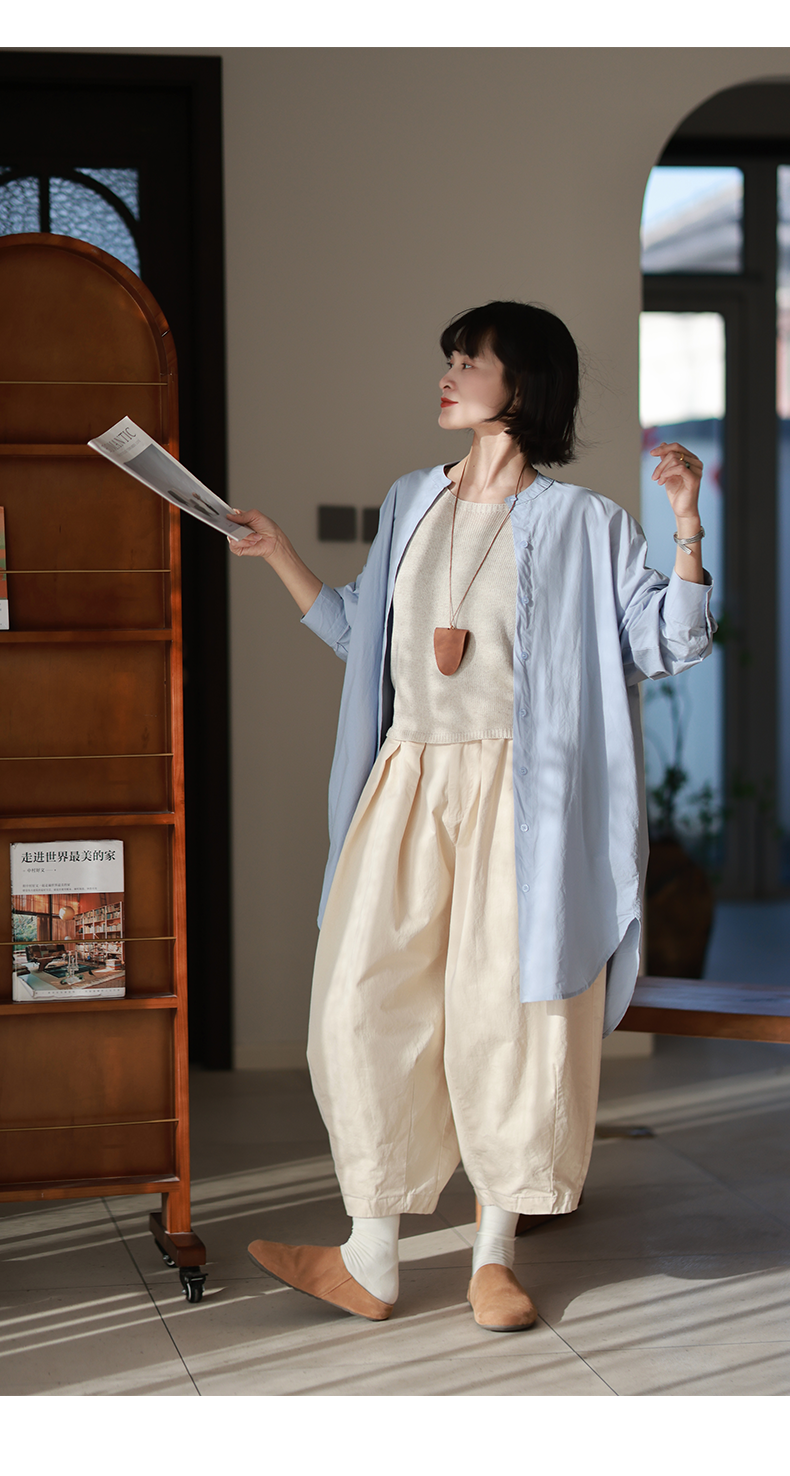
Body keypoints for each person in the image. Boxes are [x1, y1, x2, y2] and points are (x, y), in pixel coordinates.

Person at [227, 301, 715, 1333]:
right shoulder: (411, 499)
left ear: (521, 385)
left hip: (522, 800)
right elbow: (357, 632)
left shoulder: (586, 522)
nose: (447, 376)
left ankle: (494, 1257)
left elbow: (668, 643)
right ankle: (370, 1257)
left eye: (468, 361)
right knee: (358, 1006)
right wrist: (276, 552)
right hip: (406, 783)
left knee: (510, 1014)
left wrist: (685, 524)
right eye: (449, 359)